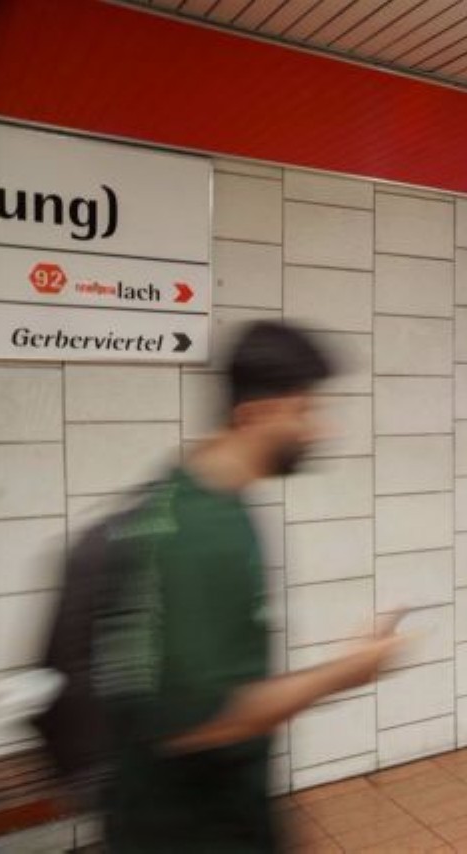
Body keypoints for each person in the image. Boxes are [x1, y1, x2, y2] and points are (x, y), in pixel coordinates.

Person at [94, 321, 405, 852]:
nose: (320, 430)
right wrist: (349, 671)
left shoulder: (195, 497)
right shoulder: (200, 532)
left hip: (213, 817)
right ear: (254, 415)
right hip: (191, 832)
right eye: (304, 411)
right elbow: (205, 719)